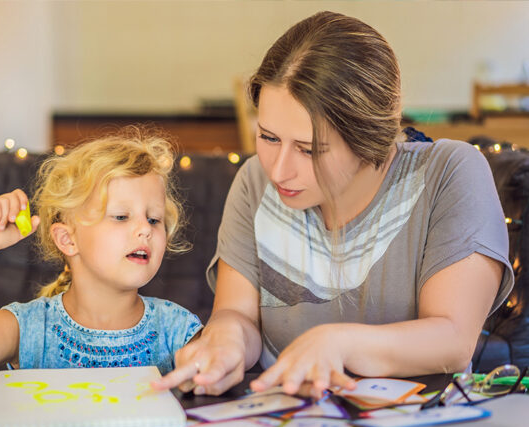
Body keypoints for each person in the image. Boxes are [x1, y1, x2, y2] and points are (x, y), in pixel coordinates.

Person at [153, 11, 513, 397]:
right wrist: (225, 342)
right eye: (269, 137)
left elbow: (453, 341)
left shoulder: (448, 173)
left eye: (309, 149)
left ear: (367, 137)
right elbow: (237, 315)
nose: (278, 170)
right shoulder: (255, 181)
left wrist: (338, 343)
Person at [0, 131, 202, 374]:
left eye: (154, 219)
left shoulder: (176, 329)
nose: (145, 230)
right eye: (121, 216)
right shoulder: (30, 329)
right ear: (68, 240)